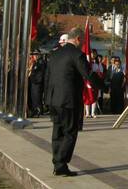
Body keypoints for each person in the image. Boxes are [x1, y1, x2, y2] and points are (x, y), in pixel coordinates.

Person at [44, 27, 91, 176]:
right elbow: (88, 73)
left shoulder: (55, 54)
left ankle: (57, 163)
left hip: (54, 99)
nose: (83, 43)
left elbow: (48, 77)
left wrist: (46, 97)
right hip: (68, 100)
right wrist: (104, 87)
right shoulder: (77, 54)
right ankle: (60, 163)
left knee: (57, 132)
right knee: (70, 132)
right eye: (82, 41)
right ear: (77, 39)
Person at [28, 49, 47, 118]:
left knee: (37, 97)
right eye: (33, 55)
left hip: (37, 83)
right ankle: (35, 110)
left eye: (35, 54)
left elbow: (40, 74)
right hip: (34, 82)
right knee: (34, 97)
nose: (34, 56)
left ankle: (38, 110)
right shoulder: (36, 62)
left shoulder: (41, 62)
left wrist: (35, 80)